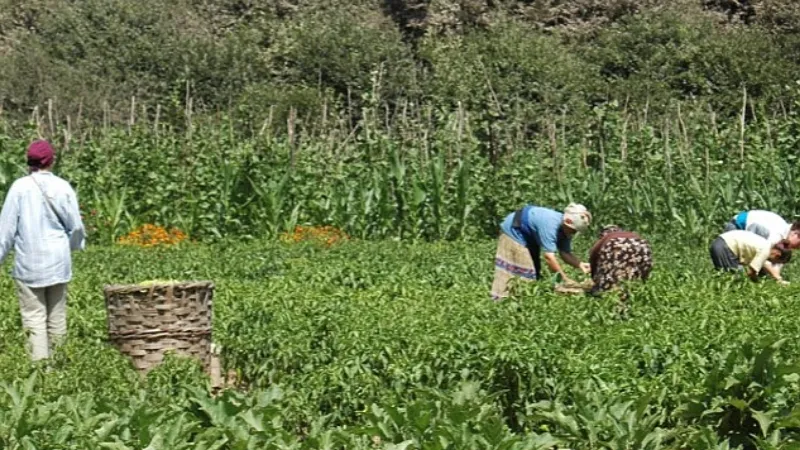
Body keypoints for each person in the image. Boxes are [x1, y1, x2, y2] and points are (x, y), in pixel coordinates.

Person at [0, 140, 85, 361]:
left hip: (30, 262)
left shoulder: (19, 187)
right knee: (57, 316)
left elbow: (6, 230)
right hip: (58, 261)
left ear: (29, 160)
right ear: (51, 160)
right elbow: (76, 226)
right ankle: (60, 368)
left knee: (34, 317)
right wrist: (72, 247)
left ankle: (40, 372)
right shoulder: (63, 186)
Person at [491, 203, 592, 300]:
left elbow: (565, 253)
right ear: (568, 222)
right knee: (524, 273)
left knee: (534, 271)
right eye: (573, 230)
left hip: (529, 237)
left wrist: (580, 264)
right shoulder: (550, 225)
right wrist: (564, 279)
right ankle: (502, 300)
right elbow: (549, 258)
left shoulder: (566, 230)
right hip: (514, 232)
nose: (574, 233)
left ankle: (520, 300)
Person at [587, 225, 653, 297]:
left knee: (608, 279)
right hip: (642, 245)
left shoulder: (605, 238)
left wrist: (595, 278)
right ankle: (636, 294)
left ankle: (609, 295)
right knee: (637, 277)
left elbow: (594, 259)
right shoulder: (631, 234)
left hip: (615, 245)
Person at [710, 230, 791, 285]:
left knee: (727, 278)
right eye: (775, 262)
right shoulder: (765, 251)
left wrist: (778, 279)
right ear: (777, 255)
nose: (772, 263)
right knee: (732, 281)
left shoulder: (766, 245)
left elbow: (764, 265)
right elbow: (751, 272)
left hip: (721, 243)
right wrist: (757, 284)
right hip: (725, 247)